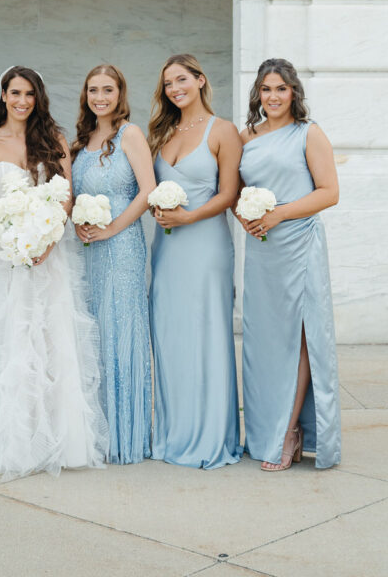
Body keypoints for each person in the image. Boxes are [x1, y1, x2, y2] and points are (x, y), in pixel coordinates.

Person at [0, 66, 108, 481]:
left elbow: (66, 197)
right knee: (11, 342)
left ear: (38, 98)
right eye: (15, 93)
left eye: (29, 94)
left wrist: (45, 241)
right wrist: (12, 239)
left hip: (49, 258)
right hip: (4, 261)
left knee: (51, 340)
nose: (22, 101)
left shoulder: (53, 139)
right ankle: (15, 442)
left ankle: (60, 439)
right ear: (3, 95)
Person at [237, 58, 341, 470]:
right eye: (266, 89)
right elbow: (238, 190)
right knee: (264, 343)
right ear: (258, 95)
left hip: (298, 246)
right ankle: (265, 430)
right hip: (261, 250)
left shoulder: (308, 134)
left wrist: (280, 213)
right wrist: (245, 216)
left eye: (281, 88)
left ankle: (290, 431)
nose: (274, 96)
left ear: (293, 92)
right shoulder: (247, 136)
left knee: (297, 338)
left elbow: (329, 192)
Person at [148, 53, 242, 468]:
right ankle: (173, 432)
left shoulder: (223, 130)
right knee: (170, 334)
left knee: (207, 333)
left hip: (206, 246)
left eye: (182, 79)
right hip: (167, 248)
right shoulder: (162, 131)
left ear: (201, 80)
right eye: (168, 83)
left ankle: (210, 436)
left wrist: (187, 215)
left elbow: (228, 194)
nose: (175, 88)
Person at [71, 64, 153, 464]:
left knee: (122, 330)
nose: (100, 97)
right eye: (93, 90)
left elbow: (148, 192)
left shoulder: (130, 135)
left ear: (121, 93)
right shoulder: (81, 141)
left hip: (122, 249)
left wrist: (111, 229)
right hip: (87, 251)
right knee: (94, 336)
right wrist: (81, 224)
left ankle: (127, 437)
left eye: (107, 90)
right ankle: (97, 437)